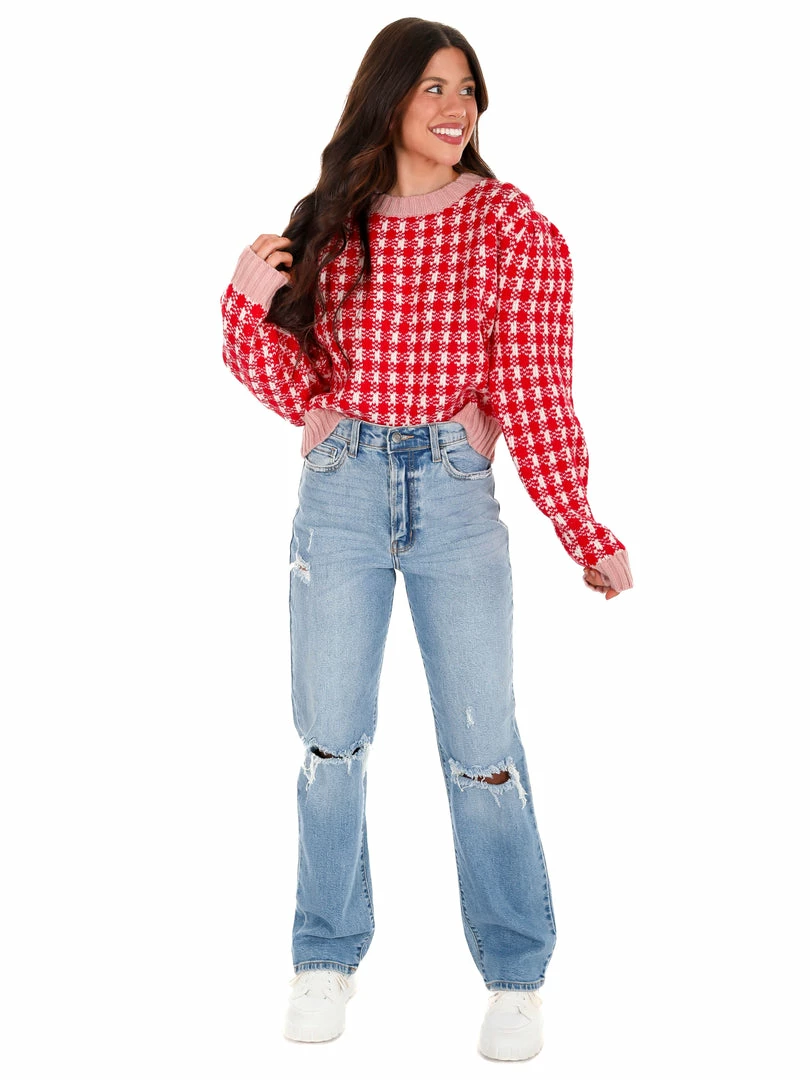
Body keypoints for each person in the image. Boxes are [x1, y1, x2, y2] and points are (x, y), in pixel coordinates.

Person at [220, 16, 633, 1062]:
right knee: (330, 740)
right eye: (435, 87)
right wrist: (244, 305)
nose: (458, 107)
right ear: (390, 97)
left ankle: (515, 974)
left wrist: (579, 527)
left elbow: (535, 388)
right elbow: (292, 382)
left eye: (469, 88)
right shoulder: (331, 223)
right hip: (340, 492)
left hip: (453, 497)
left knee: (482, 750)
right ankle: (324, 957)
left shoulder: (508, 225)